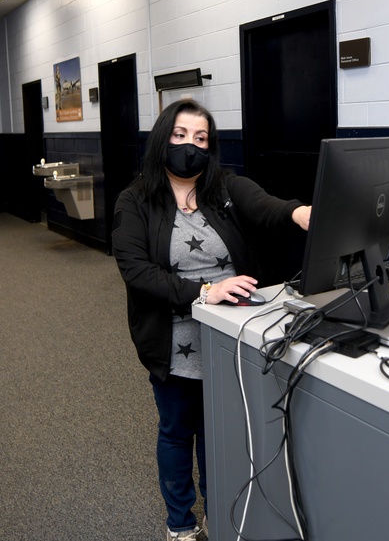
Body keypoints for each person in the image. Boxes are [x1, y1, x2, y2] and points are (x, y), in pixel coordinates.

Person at [112, 99, 311, 541]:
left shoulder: (223, 186)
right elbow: (136, 271)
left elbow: (266, 206)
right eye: (181, 135)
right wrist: (205, 292)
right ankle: (180, 524)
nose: (190, 146)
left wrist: (301, 213)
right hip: (173, 339)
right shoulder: (136, 200)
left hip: (231, 338)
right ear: (164, 137)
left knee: (220, 432)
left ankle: (218, 515)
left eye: (201, 138)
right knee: (179, 432)